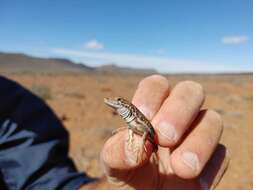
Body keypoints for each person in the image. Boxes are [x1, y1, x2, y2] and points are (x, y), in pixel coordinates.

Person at [0, 75, 229, 190]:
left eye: (119, 102)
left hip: (149, 136)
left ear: (126, 105)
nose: (115, 104)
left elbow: (46, 181)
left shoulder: (12, 107)